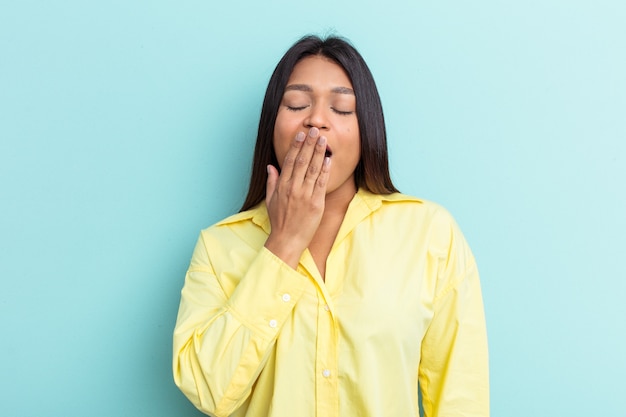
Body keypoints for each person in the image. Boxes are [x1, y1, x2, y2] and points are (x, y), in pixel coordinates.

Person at [173, 35, 489, 417]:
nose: (316, 120)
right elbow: (208, 392)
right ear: (272, 125)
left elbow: (462, 401)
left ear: (367, 129)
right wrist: (284, 243)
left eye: (341, 108)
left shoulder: (430, 234)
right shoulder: (218, 247)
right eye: (297, 104)